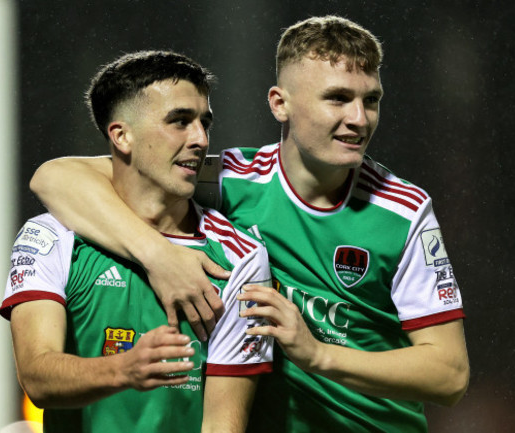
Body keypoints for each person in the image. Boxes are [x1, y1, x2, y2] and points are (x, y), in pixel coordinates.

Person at [29, 16, 470, 432]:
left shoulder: (403, 211)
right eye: (338, 98)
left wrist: (318, 354)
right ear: (280, 104)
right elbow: (55, 178)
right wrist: (159, 255)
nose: (359, 118)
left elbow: (449, 375)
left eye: (370, 100)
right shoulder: (229, 181)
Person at [0, 50, 273, 433]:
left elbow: (222, 425)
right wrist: (124, 369)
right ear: (122, 136)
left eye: (204, 123)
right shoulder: (49, 235)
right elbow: (37, 378)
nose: (200, 139)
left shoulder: (240, 257)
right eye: (179, 121)